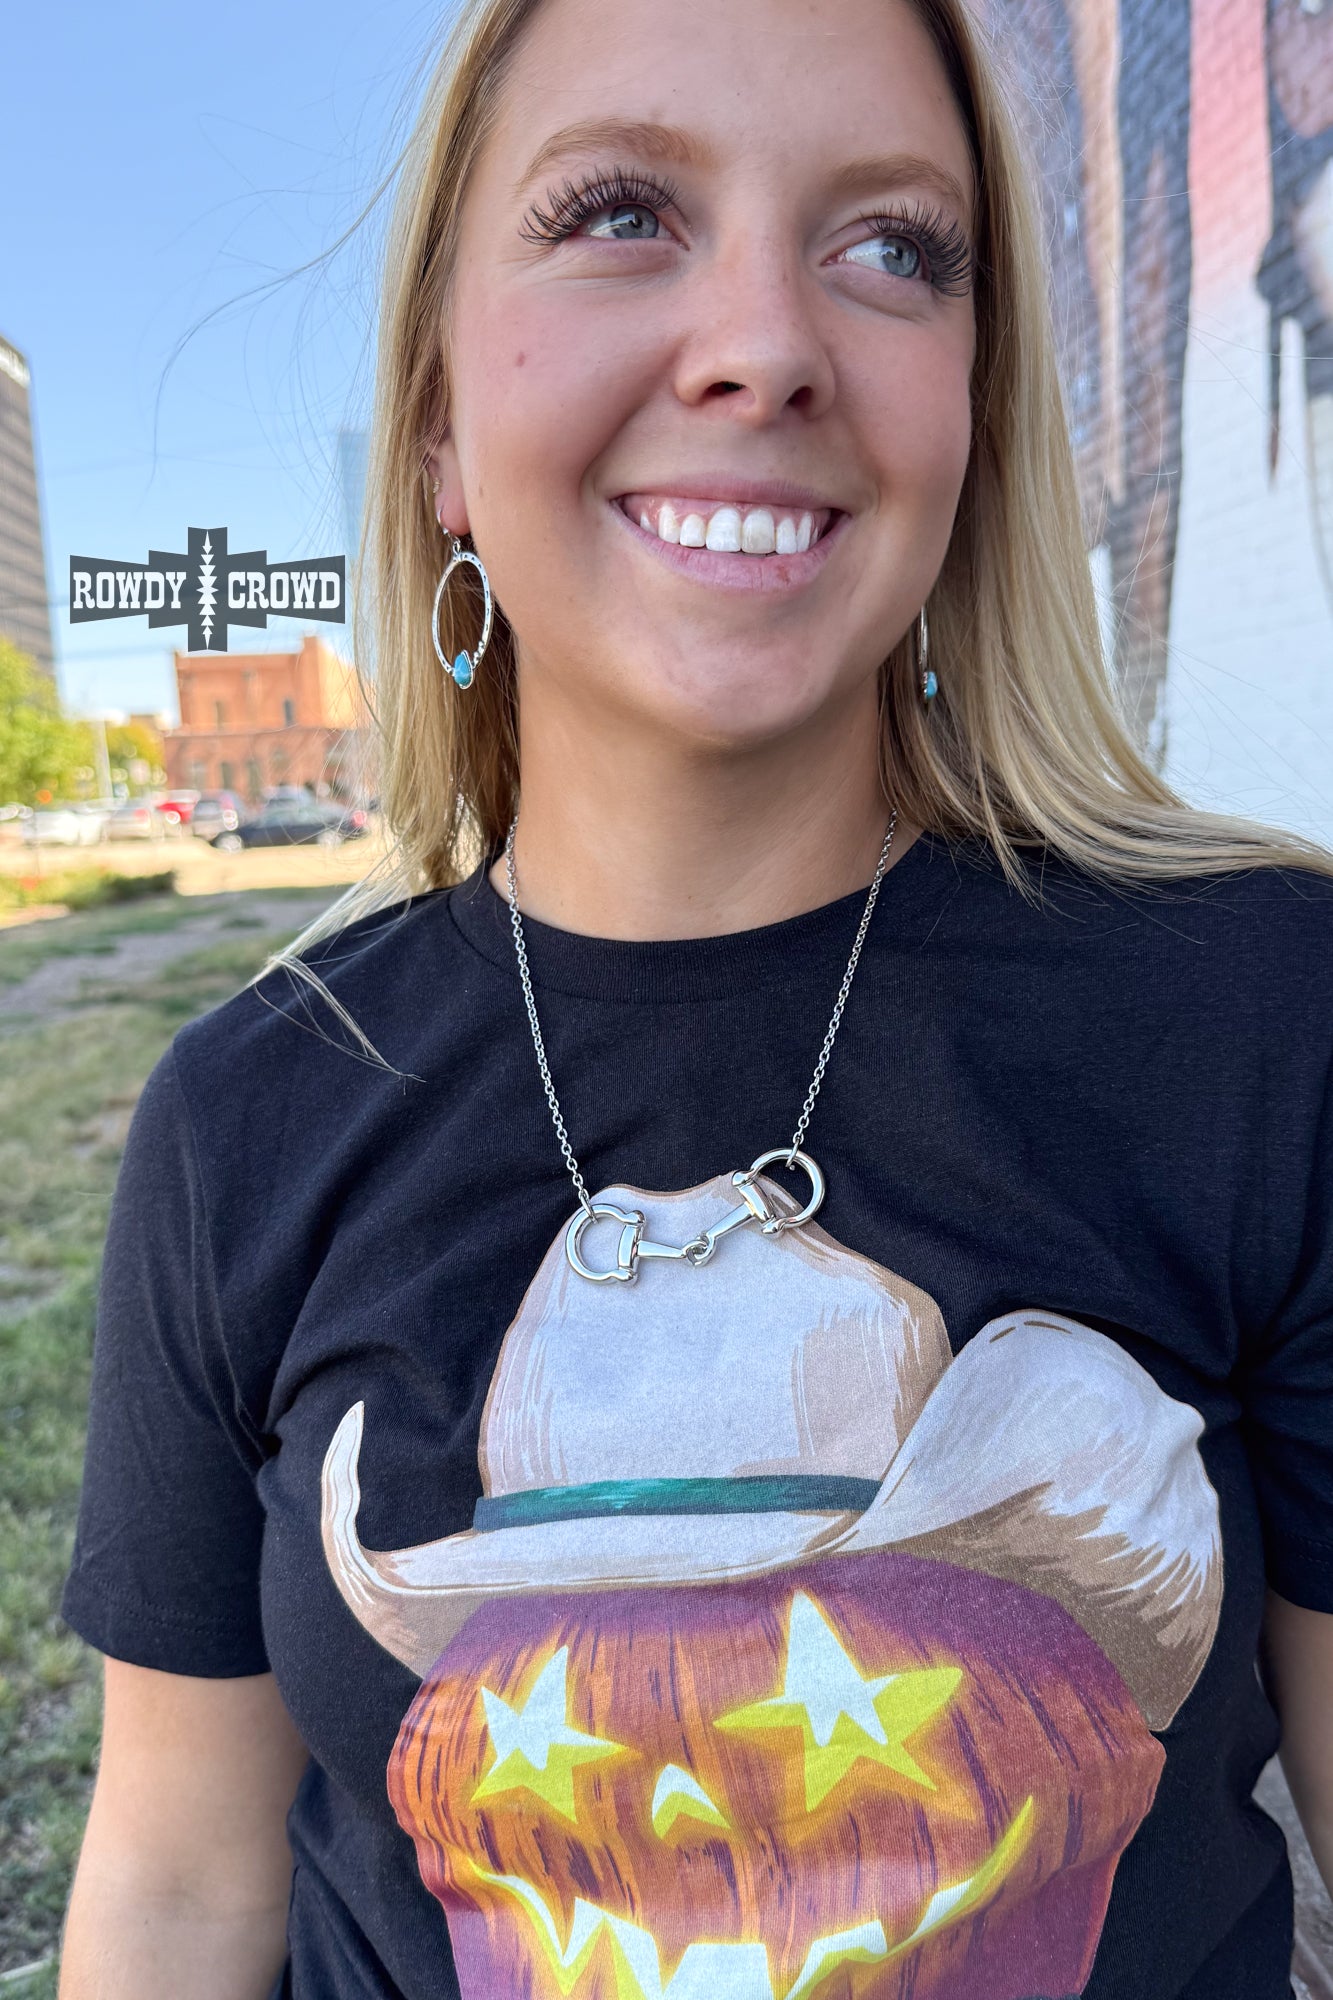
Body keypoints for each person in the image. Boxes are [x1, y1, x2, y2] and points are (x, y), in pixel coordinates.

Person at [56, 0, 1333, 1994]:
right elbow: (176, 1889)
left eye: (892, 245)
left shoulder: (1262, 1019)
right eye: (622, 212)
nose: (764, 342)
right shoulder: (250, 1117)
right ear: (434, 429)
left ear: (972, 412)